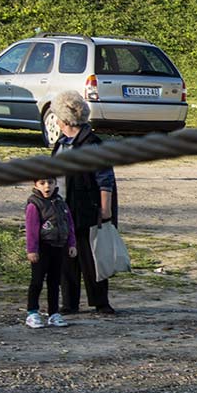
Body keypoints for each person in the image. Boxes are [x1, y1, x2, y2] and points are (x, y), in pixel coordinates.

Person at [50, 91, 118, 315]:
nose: (57, 122)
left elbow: (105, 179)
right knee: (67, 256)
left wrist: (105, 210)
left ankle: (100, 302)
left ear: (67, 120)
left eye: (58, 118)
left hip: (88, 208)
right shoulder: (61, 143)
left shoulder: (92, 144)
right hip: (64, 208)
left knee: (91, 257)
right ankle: (69, 303)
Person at [24, 177, 78, 328]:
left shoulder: (61, 202)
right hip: (42, 248)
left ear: (55, 184)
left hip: (58, 247)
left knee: (54, 282)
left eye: (50, 182)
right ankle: (32, 313)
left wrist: (71, 244)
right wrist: (32, 250)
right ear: (35, 184)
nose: (47, 186)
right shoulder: (34, 205)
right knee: (37, 281)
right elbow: (31, 230)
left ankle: (53, 313)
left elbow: (69, 224)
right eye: (42, 183)